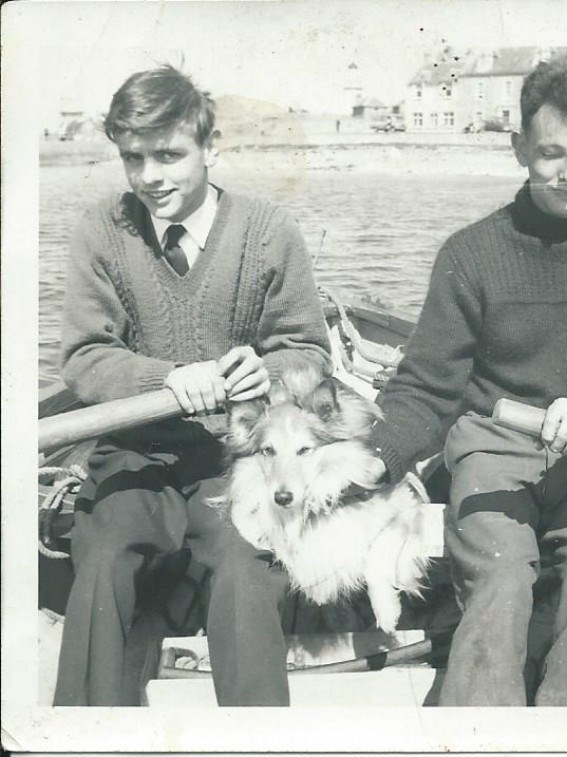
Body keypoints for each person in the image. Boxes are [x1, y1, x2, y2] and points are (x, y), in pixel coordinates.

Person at [369, 58, 567, 706]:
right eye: (549, 153)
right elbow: (427, 386)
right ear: (519, 148)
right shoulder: (470, 252)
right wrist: (370, 460)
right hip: (491, 449)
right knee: (499, 578)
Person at [53, 65, 331, 706]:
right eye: (134, 158)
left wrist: (273, 372)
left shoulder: (268, 230)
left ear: (212, 146)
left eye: (171, 155)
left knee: (246, 572)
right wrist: (167, 379)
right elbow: (85, 356)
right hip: (133, 456)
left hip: (235, 463)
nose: (152, 177)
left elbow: (310, 352)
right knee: (100, 563)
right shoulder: (103, 229)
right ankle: (86, 737)